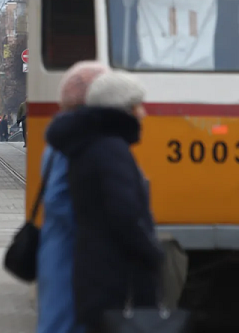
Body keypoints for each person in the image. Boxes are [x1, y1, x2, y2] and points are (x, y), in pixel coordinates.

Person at [46, 70, 163, 332]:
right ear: (120, 110)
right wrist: (151, 252)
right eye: (136, 106)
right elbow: (123, 214)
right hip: (113, 275)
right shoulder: (110, 149)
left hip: (96, 270)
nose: (142, 113)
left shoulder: (92, 145)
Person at [36, 61, 109, 333]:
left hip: (61, 252)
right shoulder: (77, 143)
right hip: (72, 254)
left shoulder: (61, 139)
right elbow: (59, 201)